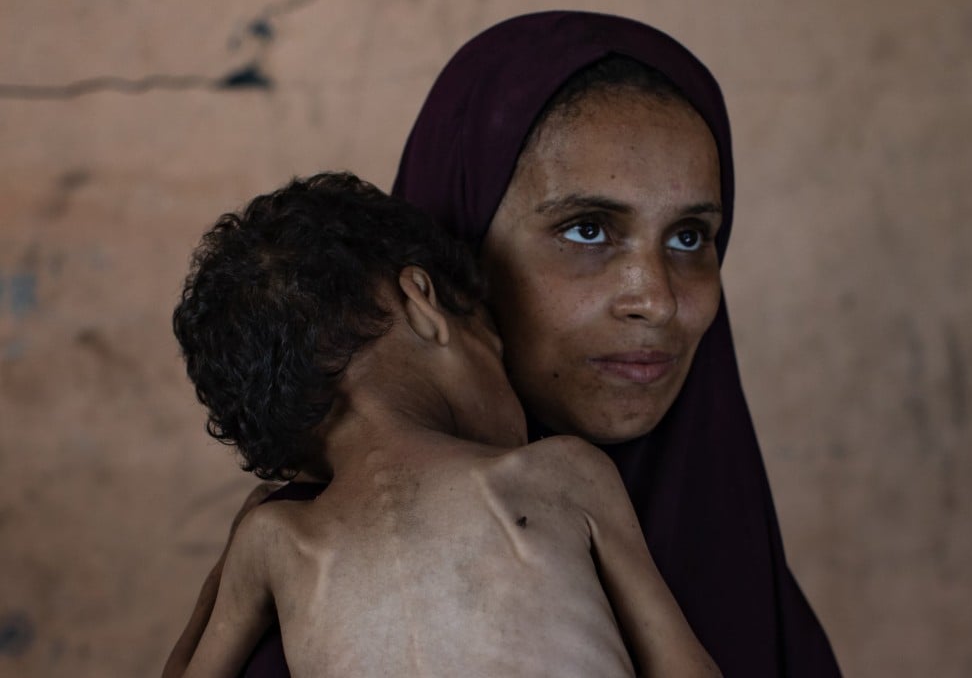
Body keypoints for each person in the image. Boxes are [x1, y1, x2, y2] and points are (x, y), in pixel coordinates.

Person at [165, 11, 841, 678]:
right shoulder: (298, 608)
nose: (657, 298)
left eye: (692, 237)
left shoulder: (740, 556)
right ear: (452, 269)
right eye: (586, 229)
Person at [170, 171, 721, 678]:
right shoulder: (563, 473)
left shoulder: (275, 539)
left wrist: (239, 543)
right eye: (494, 345)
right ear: (423, 303)